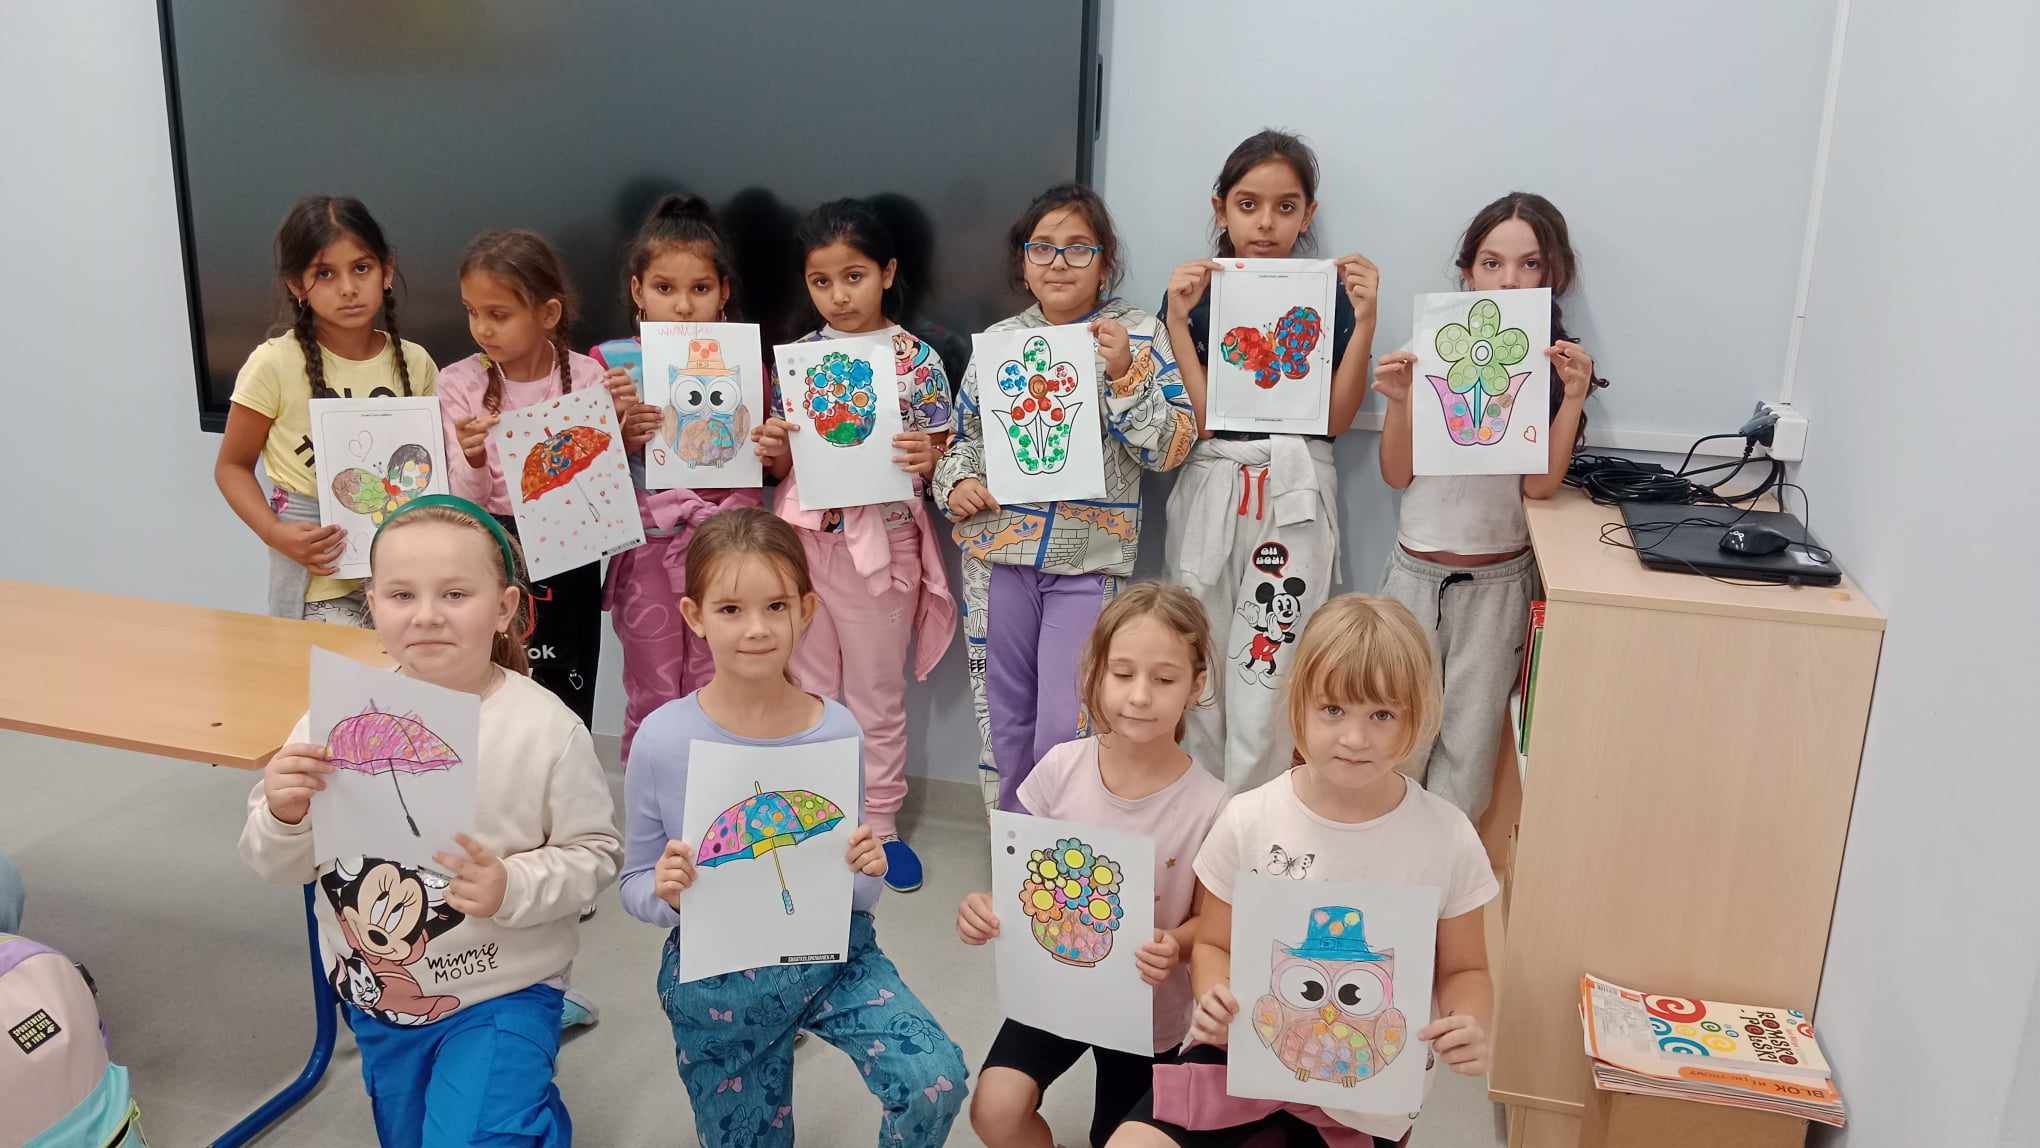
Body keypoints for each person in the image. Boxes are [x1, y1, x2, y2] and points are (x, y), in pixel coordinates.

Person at [240, 494, 620, 1146]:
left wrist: (512, 885)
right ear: (372, 605)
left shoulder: (545, 730)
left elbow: (595, 853)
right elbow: (277, 864)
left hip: (505, 988)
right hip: (380, 995)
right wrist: (284, 811)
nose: (426, 615)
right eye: (401, 595)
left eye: (454, 594)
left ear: (504, 608)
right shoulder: (336, 718)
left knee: (483, 1134)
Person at [619, 507, 968, 1146]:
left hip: (835, 954)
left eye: (776, 606)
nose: (756, 629)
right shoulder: (663, 740)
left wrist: (868, 867)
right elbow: (634, 883)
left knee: (933, 1079)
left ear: (806, 611)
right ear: (695, 616)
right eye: (730, 609)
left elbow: (856, 892)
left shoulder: (836, 729)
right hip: (718, 977)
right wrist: (665, 893)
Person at [1110, 595, 1498, 1147]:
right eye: (1333, 710)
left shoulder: (1447, 835)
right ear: (1298, 705)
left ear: (1416, 717)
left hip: (1362, 1092)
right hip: (1239, 1054)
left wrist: (1469, 1022)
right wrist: (1215, 992)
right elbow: (1214, 944)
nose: (1355, 739)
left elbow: (1465, 969)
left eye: (1382, 715)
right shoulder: (1248, 819)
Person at [931, 183, 1195, 812]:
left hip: (1088, 562)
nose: (1058, 262)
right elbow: (962, 440)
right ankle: (1012, 846)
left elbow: (1171, 447)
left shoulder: (1138, 334)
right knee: (1003, 721)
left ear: (1106, 262)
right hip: (997, 554)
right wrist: (955, 484)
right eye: (1042, 248)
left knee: (1068, 721)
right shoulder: (999, 341)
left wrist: (1124, 374)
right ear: (1023, 262)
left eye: (1079, 248)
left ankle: (1061, 852)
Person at [958, 583, 1228, 1148]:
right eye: (1122, 673)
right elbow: (1024, 882)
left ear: (1197, 685)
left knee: (1116, 1138)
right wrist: (987, 907)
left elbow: (1212, 924)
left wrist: (1175, 945)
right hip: (1055, 987)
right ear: (1095, 674)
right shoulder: (1061, 768)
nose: (1140, 696)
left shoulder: (1213, 805)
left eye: (1165, 679)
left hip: (1146, 1013)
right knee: (995, 1109)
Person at [1160, 130, 1380, 790]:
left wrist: (1366, 319)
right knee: (1197, 654)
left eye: (1285, 207)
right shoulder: (1196, 293)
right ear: (1221, 208)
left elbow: (1335, 422)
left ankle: (1256, 821)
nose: (1265, 223)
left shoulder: (1331, 297)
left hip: (1294, 485)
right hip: (1215, 479)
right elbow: (1202, 421)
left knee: (1272, 658)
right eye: (1249, 204)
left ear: (1308, 214)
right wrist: (1177, 323)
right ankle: (1201, 820)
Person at [750, 198, 956, 891]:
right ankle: (816, 817)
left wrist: (928, 456)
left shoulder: (917, 361)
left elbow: (943, 458)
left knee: (875, 695)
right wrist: (774, 447)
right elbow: (783, 463)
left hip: (883, 549)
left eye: (854, 276)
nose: (838, 295)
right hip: (804, 545)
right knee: (806, 686)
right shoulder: (799, 361)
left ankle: (881, 824)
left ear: (887, 272)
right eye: (821, 281)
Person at [1374, 192, 1598, 819]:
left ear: (1554, 275)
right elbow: (1395, 473)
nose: (1509, 281)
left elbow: (1539, 487)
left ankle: (1446, 875)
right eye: (1492, 263)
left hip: (1499, 582)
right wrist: (1399, 402)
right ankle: (1381, 867)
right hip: (1415, 576)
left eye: (1530, 265)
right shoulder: (1430, 345)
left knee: (1467, 757)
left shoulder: (1551, 363)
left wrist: (1573, 398)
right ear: (1468, 272)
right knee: (1392, 739)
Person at [440, 228, 647, 727]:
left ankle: (563, 763)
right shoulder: (458, 383)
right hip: (491, 546)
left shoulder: (588, 376)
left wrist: (620, 423)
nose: (482, 328)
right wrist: (472, 457)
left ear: (548, 313)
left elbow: (601, 482)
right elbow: (466, 500)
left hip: (570, 553)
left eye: (498, 314)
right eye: (472, 311)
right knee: (492, 678)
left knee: (567, 679)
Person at [591, 193, 764, 766]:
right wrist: (623, 436)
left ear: (724, 292)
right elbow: (582, 480)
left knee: (725, 682)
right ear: (638, 290)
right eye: (664, 288)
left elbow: (764, 463)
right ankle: (653, 806)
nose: (684, 306)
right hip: (647, 549)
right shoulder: (610, 364)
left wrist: (773, 447)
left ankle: (722, 800)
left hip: (728, 546)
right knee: (652, 687)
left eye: (700, 288)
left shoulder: (750, 364)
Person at [213, 195, 437, 625]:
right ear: (297, 285)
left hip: (404, 580)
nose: (348, 288)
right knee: (340, 670)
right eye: (325, 274)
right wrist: (274, 532)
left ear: (387, 270)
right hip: (318, 586)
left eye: (361, 268)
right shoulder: (274, 364)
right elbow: (231, 467)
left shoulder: (417, 362)